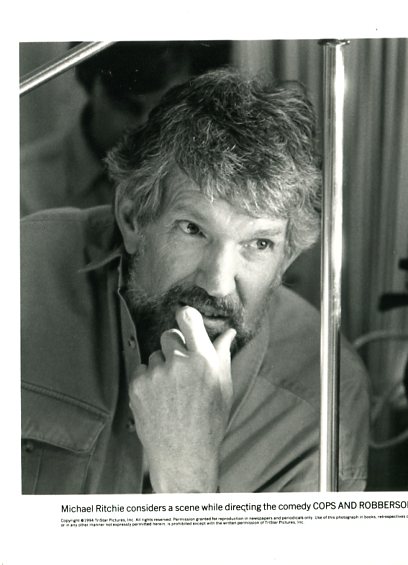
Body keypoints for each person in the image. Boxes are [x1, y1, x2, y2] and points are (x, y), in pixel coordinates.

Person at [20, 69, 370, 494]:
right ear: (132, 218)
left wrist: (188, 474)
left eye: (259, 243)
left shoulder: (325, 394)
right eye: (193, 229)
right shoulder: (22, 270)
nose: (218, 284)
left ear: (287, 258)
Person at [20, 41, 232, 217]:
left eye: (164, 107)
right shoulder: (20, 186)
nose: (145, 126)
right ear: (89, 84)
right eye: (127, 106)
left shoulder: (213, 175)